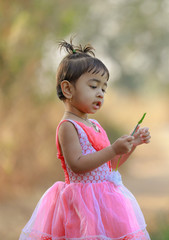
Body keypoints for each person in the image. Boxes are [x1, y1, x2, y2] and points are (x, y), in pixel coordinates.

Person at [20, 38, 151, 240]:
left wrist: (132, 144)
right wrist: (113, 149)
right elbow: (78, 165)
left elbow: (111, 166)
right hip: (82, 207)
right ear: (68, 89)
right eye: (93, 86)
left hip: (106, 204)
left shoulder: (96, 125)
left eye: (104, 88)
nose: (100, 93)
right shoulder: (68, 127)